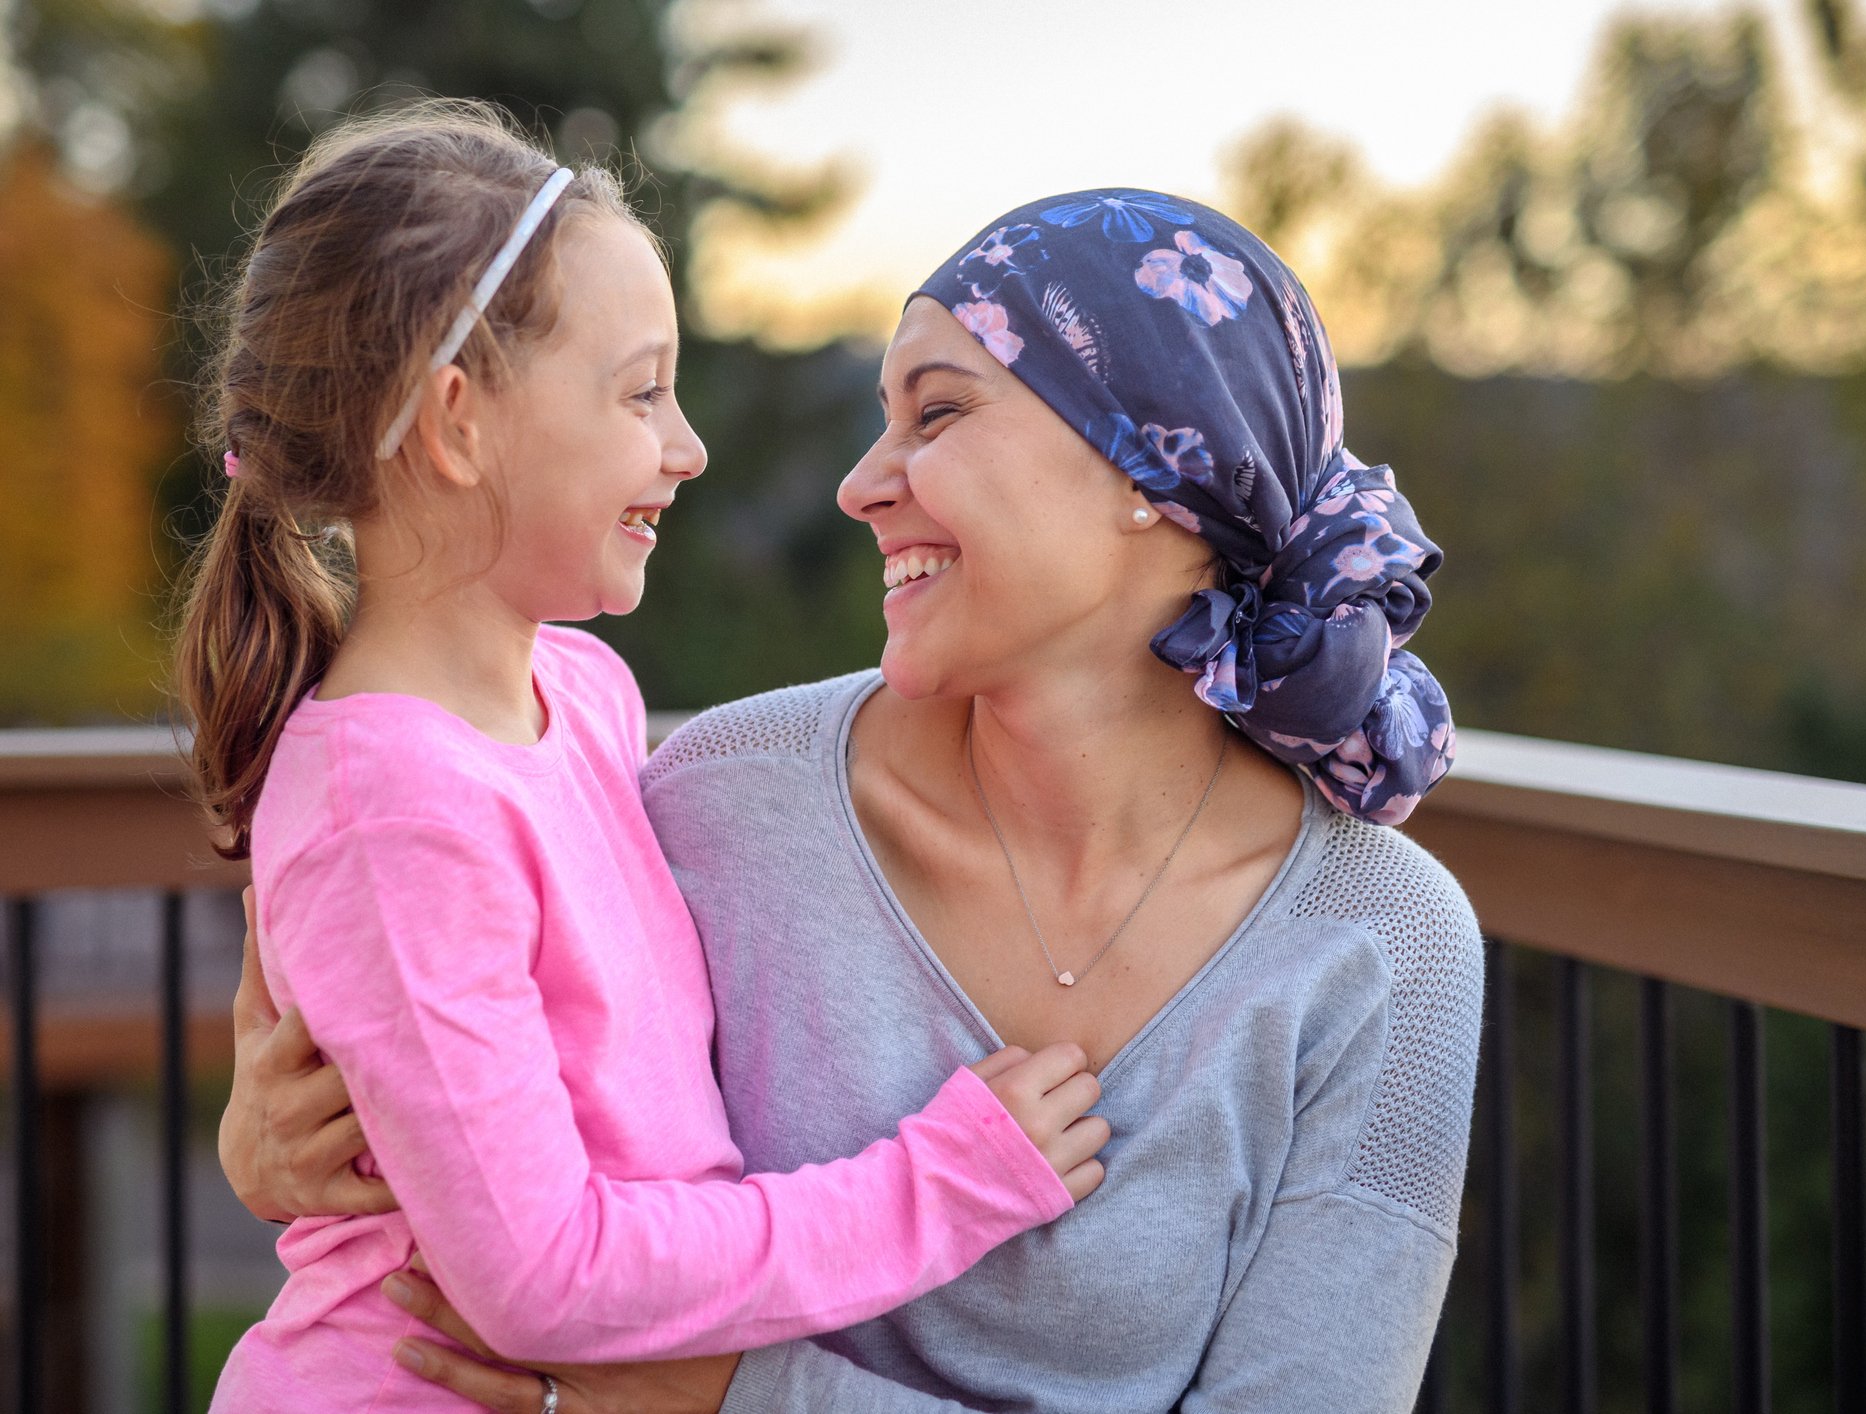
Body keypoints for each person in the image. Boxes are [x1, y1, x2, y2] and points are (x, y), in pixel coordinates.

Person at [223, 188, 1485, 1413]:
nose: (860, 481)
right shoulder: (717, 800)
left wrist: (731, 1398)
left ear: (1151, 472)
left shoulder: (1387, 950)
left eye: (936, 413)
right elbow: (418, 956)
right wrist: (265, 1140)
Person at [177, 108, 1109, 1411]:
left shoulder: (582, 692)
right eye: (638, 391)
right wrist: (937, 1184)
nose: (687, 445)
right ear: (457, 424)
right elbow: (540, 1274)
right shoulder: (392, 812)